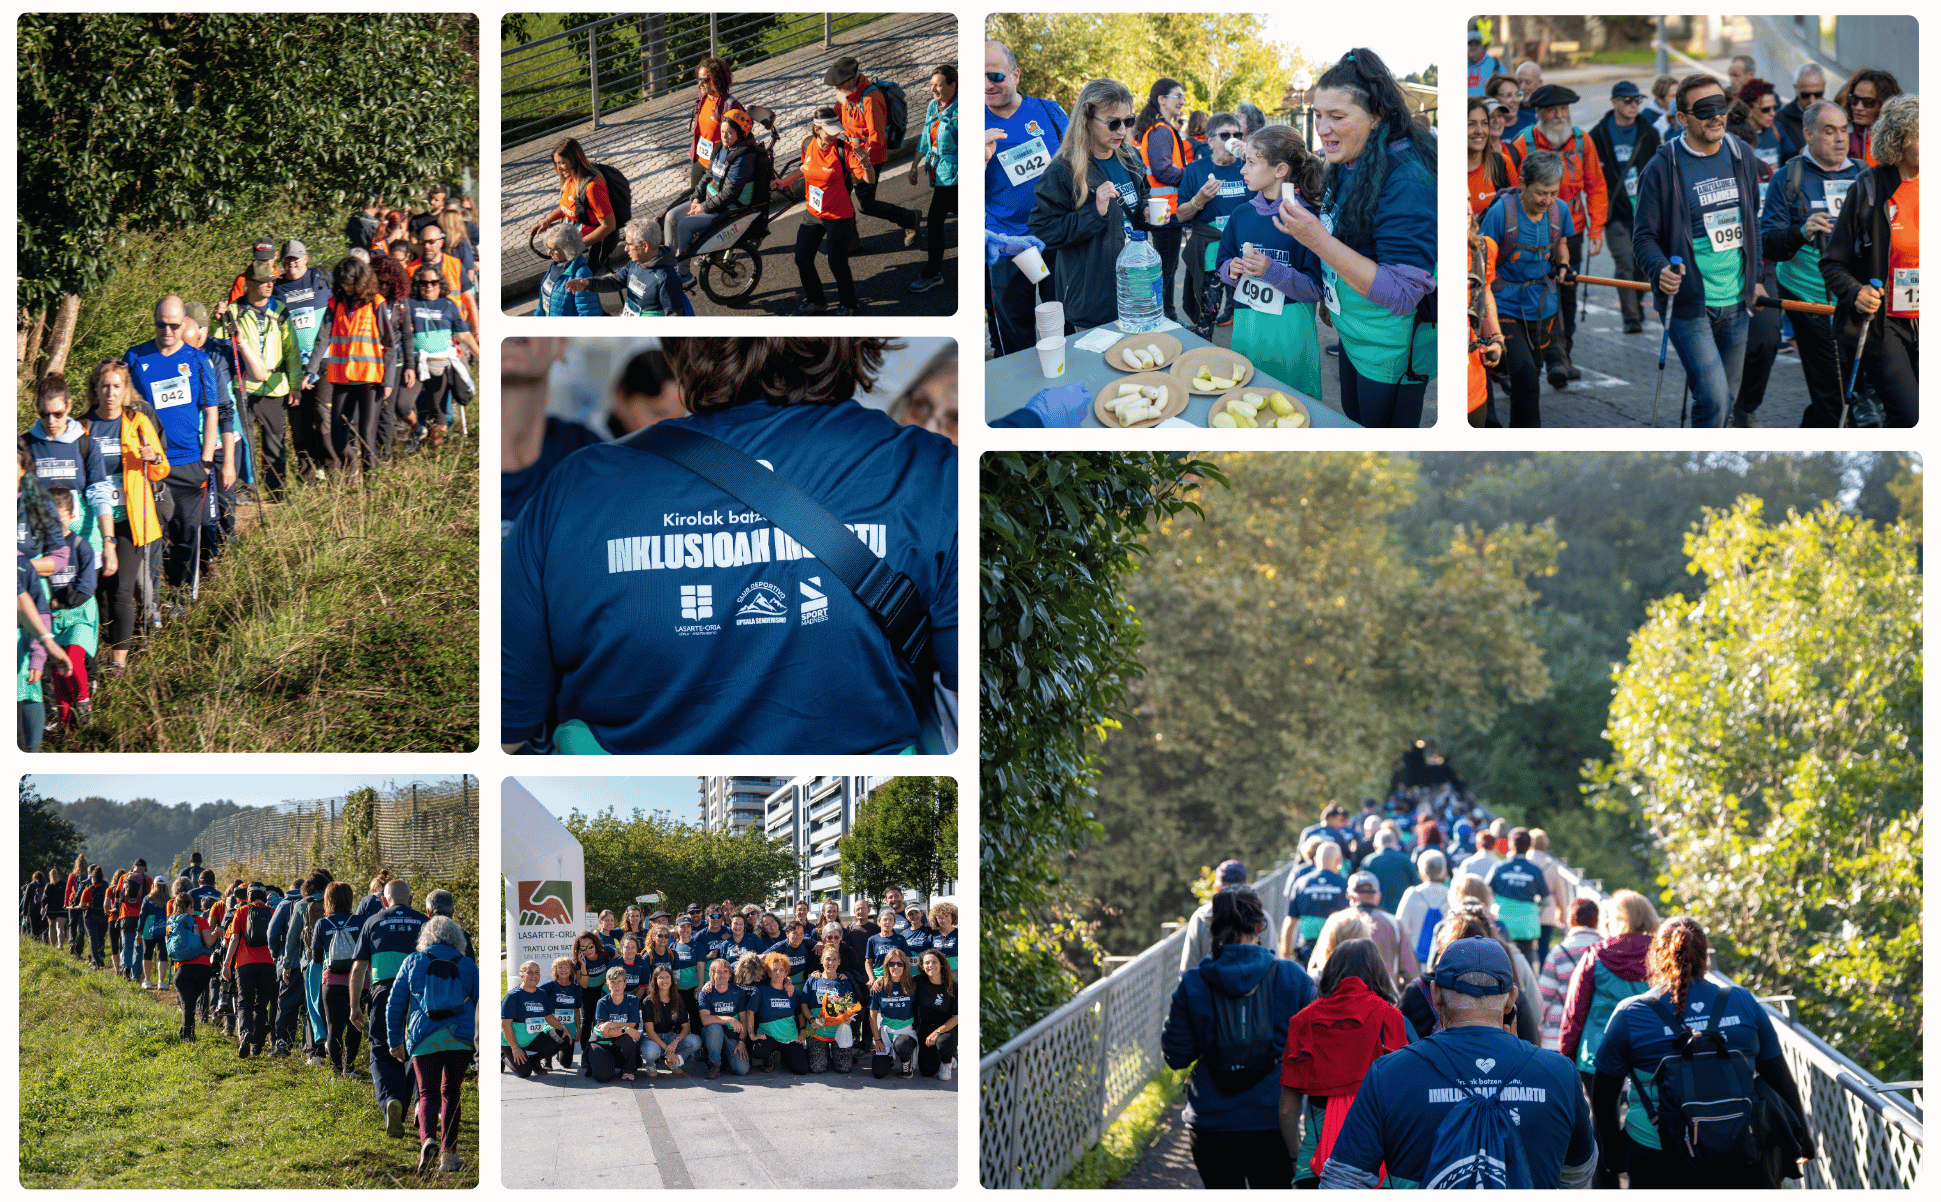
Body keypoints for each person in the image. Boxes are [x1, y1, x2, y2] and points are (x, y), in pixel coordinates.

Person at [502, 336, 956, 755]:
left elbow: (508, 729)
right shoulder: (933, 474)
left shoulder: (573, 490)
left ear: (677, 345)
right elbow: (979, 702)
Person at [1322, 937, 1596, 1188]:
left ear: (1436, 994)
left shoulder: (1388, 1074)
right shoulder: (1560, 1074)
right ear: (1512, 999)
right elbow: (1578, 1175)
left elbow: (1342, 1182)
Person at [1273, 49, 1437, 426]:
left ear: (1377, 116)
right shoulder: (1351, 161)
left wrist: (1316, 240)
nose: (1322, 129)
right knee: (1352, 414)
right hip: (1352, 330)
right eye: (1318, 115)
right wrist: (1328, 297)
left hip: (1390, 346)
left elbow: (1401, 293)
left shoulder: (1408, 178)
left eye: (1337, 117)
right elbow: (1346, 241)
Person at [1592, 917, 1813, 1188]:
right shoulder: (1742, 1001)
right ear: (1705, 957)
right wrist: (1802, 1137)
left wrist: (1612, 1153)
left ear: (1657, 957)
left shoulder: (1631, 1013)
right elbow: (1780, 1078)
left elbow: (1604, 1096)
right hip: (1742, 1146)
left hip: (1655, 1151)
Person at [1161, 887, 1317, 1188]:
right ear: (1260, 926)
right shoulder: (1292, 977)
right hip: (1273, 1118)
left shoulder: (1194, 983)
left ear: (1214, 928)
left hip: (1210, 1120)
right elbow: (1314, 1050)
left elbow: (1176, 1055)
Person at [1635, 73, 1764, 429]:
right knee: (1714, 399)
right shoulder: (1662, 167)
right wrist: (1659, 268)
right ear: (1682, 118)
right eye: (1704, 110)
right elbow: (1643, 238)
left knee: (1725, 401)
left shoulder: (1741, 154)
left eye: (1720, 106)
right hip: (1690, 304)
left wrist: (1758, 277)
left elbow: (1752, 221)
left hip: (1737, 302)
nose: (1716, 116)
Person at [1757, 99, 1861, 429]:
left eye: (1844, 130)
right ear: (1809, 135)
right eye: (1829, 131)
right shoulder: (1790, 177)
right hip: (1811, 298)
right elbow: (1770, 242)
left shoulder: (1865, 174)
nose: (1839, 138)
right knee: (1832, 387)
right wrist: (1803, 231)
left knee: (1857, 385)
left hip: (1859, 298)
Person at [1280, 938, 1416, 1184]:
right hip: (1381, 1167)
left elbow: (1287, 1110)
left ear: (1330, 973)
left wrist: (1295, 1157)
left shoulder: (1304, 1022)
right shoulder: (1393, 1020)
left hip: (1315, 1165)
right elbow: (1409, 1101)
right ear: (1378, 973)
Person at [1821, 92, 1918, 428]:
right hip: (1886, 322)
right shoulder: (1869, 188)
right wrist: (1855, 291)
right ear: (1899, 140)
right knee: (1909, 416)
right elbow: (1832, 262)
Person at [1028, 78, 1155, 332]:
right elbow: (1044, 228)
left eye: (1128, 121)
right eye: (1113, 123)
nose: (1122, 130)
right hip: (1094, 297)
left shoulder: (1130, 156)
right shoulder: (1064, 170)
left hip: (1137, 287)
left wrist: (1147, 212)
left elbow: (1140, 199)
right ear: (1086, 119)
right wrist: (1094, 212)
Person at [1215, 125, 1327, 400]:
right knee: (1249, 402)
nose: (1242, 170)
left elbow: (1315, 288)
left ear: (1280, 170)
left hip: (1289, 337)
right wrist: (1231, 269)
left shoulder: (1306, 219)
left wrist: (1270, 270)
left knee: (1291, 408)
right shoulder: (1241, 214)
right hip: (1247, 332)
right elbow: (1222, 262)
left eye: (1251, 163)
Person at [1507, 85, 1605, 385]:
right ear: (1538, 113)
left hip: (1571, 230)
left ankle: (1565, 356)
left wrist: (1597, 228)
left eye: (1564, 109)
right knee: (1542, 292)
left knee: (1568, 293)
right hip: (1536, 234)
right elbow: (1514, 192)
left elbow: (1596, 186)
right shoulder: (1523, 144)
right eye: (1552, 110)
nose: (1559, 115)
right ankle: (1551, 359)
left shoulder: (1581, 140)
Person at [123, 296, 219, 591]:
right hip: (149, 464)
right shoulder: (135, 358)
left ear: (185, 324)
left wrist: (205, 461)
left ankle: (181, 597)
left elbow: (212, 411)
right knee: (149, 539)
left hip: (188, 462)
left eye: (174, 326)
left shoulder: (199, 361)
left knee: (186, 535)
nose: (167, 331)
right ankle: (150, 608)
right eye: (161, 324)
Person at [984, 39, 1066, 357]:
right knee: (1015, 334)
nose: (987, 86)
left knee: (1061, 320)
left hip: (1053, 236)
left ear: (1015, 75)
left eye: (995, 76)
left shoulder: (1047, 109)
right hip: (1005, 242)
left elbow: (1077, 162)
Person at [386, 916, 477, 1176]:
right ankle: (449, 1155)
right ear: (457, 938)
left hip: (424, 1036)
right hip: (460, 1036)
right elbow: (482, 1003)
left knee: (427, 1093)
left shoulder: (412, 962)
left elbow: (396, 1004)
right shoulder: (468, 964)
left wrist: (395, 1041)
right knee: (452, 1092)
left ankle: (428, 1140)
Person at [1558, 890, 1658, 1112]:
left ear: (1617, 920)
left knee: (1603, 1119)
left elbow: (1576, 1009)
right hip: (1652, 1048)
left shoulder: (1595, 955)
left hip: (1598, 1049)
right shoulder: (1662, 955)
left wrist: (1566, 1052)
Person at [302, 257, 391, 472]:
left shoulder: (376, 303)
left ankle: (372, 483)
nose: (347, 287)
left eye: (350, 283)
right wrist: (311, 371)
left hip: (370, 378)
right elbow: (322, 339)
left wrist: (388, 381)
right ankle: (354, 466)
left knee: (366, 433)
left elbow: (389, 344)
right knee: (337, 436)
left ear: (361, 280)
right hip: (342, 377)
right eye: (342, 283)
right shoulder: (335, 304)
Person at [826, 56, 923, 247]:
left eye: (838, 84)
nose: (835, 88)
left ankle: (910, 219)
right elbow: (836, 119)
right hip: (848, 154)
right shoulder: (846, 94)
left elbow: (877, 140)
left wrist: (863, 171)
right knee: (842, 197)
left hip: (868, 159)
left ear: (852, 80)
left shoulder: (871, 99)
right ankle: (851, 242)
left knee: (866, 205)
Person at [1589, 80, 1661, 334]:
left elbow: (1659, 170)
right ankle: (1630, 316)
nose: (1633, 105)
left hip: (1644, 212)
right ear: (1615, 103)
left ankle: (1637, 302)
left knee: (1642, 265)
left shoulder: (1648, 132)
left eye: (1637, 101)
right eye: (1628, 101)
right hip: (1615, 213)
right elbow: (1592, 175)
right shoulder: (1598, 134)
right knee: (1624, 263)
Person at [1177, 111, 1251, 328]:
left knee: (1247, 312)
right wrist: (1199, 200)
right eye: (1225, 135)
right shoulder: (1196, 170)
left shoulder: (1249, 166)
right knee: (1207, 313)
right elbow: (1181, 214)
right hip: (1211, 249)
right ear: (1210, 141)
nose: (1233, 140)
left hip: (1244, 249)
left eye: (1237, 134)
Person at [664, 106, 762, 264]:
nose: (724, 136)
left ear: (741, 134)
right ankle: (667, 264)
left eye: (729, 132)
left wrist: (703, 207)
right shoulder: (722, 147)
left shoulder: (744, 158)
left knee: (683, 225)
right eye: (722, 132)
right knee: (671, 217)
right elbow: (709, 174)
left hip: (726, 209)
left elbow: (729, 194)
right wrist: (696, 197)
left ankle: (683, 275)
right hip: (709, 200)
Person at [271, 243, 333, 481]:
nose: (292, 264)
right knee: (299, 424)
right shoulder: (277, 288)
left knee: (322, 413)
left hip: (324, 361)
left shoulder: (322, 278)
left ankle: (331, 467)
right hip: (293, 366)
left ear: (306, 259)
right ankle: (308, 475)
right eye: (287, 260)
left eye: (296, 259)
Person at [1133, 78, 1192, 324]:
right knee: (1165, 272)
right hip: (1165, 213)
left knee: (1167, 270)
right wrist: (1192, 175)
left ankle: (1168, 316)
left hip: (1165, 212)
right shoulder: (1160, 131)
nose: (1182, 101)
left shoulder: (1159, 129)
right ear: (1162, 100)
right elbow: (1163, 171)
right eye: (1177, 95)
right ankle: (1157, 318)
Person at [533, 137, 619, 273]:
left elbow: (609, 225)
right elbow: (567, 207)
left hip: (585, 250)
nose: (558, 168)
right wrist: (548, 220)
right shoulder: (570, 180)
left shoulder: (593, 187)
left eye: (562, 163)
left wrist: (576, 247)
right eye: (556, 163)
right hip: (569, 247)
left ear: (575, 160)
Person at [909, 64, 959, 294]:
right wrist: (914, 165)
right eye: (932, 85)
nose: (934, 90)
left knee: (934, 220)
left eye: (939, 85)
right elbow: (925, 138)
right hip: (937, 173)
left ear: (953, 85)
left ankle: (932, 272)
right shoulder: (933, 106)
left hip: (954, 176)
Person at [1535, 897, 1601, 1052]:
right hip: (1594, 1034)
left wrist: (1538, 1026)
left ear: (1572, 921)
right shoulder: (1604, 952)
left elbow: (1543, 997)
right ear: (1596, 922)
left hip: (1558, 1033)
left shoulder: (1558, 953)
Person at [220, 884, 278, 1056]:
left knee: (244, 1001)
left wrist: (226, 963)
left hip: (245, 963)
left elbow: (234, 939)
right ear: (264, 897)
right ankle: (257, 1046)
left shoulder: (242, 911)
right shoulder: (272, 913)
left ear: (249, 896)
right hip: (268, 963)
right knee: (261, 1004)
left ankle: (246, 1031)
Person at [1345, 872, 1420, 990]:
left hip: (1346, 1000)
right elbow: (1411, 973)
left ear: (1350, 896)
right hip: (1385, 999)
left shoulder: (1337, 922)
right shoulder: (1394, 923)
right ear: (1378, 897)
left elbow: (1319, 966)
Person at [165, 878, 220, 1039]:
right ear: (189, 906)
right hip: (202, 970)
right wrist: (216, 932)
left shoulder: (172, 924)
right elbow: (209, 941)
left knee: (187, 1005)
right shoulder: (200, 920)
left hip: (181, 970)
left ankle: (187, 1036)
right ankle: (187, 1034)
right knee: (190, 1004)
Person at [686, 55, 748, 192]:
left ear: (717, 80)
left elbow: (743, 135)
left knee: (709, 207)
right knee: (692, 200)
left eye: (704, 80)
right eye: (698, 79)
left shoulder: (730, 105)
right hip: (699, 161)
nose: (699, 84)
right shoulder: (702, 97)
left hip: (716, 168)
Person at [744, 950, 809, 1074]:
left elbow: (800, 1013)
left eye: (781, 970)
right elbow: (750, 1011)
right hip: (769, 1036)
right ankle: (769, 1058)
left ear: (786, 974)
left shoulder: (791, 991)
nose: (778, 973)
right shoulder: (761, 990)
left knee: (802, 1070)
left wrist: (802, 1032)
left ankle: (786, 1055)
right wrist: (752, 1035)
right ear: (769, 973)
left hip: (790, 1037)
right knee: (758, 1049)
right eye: (774, 970)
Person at [503, 959, 571, 1078]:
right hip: (512, 1041)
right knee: (525, 1072)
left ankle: (534, 1059)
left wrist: (562, 1027)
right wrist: (514, 1048)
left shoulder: (541, 993)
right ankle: (504, 1056)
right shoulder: (513, 996)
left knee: (562, 1039)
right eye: (530, 972)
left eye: (537, 972)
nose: (534, 976)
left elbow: (548, 1016)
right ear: (522, 975)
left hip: (532, 1037)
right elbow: (505, 1025)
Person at [803, 941, 860, 1073]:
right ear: (821, 960)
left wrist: (848, 1018)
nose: (831, 963)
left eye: (834, 959)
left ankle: (833, 1053)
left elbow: (851, 1005)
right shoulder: (813, 979)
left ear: (839, 962)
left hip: (838, 1030)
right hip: (816, 1030)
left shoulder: (844, 980)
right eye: (828, 959)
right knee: (817, 1068)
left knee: (844, 1068)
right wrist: (811, 1019)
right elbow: (804, 1004)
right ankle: (822, 1053)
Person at [694, 955, 750, 1078]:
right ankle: (714, 1065)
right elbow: (705, 1020)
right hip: (712, 1032)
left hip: (731, 1034)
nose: (722, 975)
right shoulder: (706, 993)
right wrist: (729, 1019)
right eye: (718, 972)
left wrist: (741, 1041)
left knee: (742, 1069)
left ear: (730, 975)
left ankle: (723, 1057)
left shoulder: (738, 991)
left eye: (725, 972)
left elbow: (744, 1019)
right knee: (715, 1028)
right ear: (712, 975)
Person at [640, 963, 701, 1075]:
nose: (665, 980)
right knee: (650, 1052)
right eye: (661, 977)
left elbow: (686, 1028)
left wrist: (675, 1041)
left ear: (672, 980)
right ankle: (650, 1064)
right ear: (655, 980)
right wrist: (668, 1050)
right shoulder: (648, 1001)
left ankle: (671, 1061)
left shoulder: (677, 999)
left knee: (696, 1041)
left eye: (667, 977)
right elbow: (650, 1032)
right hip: (652, 1039)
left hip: (670, 1036)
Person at [868, 947, 920, 1078]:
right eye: (891, 963)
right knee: (878, 1073)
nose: (895, 967)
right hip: (886, 1033)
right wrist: (877, 1040)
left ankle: (906, 1061)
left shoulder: (913, 984)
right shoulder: (879, 986)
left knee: (901, 1045)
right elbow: (872, 1016)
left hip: (906, 1032)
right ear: (887, 966)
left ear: (905, 965)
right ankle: (888, 1058)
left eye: (899, 963)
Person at [1395, 848, 1451, 968]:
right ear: (1444, 871)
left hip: (1415, 962)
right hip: (1444, 962)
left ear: (1421, 872)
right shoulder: (1452, 896)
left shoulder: (1412, 894)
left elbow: (1400, 927)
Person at [1468, 97, 1521, 215]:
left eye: (1484, 123)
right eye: (1471, 124)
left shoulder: (1502, 162)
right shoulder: (1437, 170)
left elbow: (1518, 213)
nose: (1480, 130)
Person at [535, 224, 602, 318]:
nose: (548, 252)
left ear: (567, 248)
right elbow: (544, 301)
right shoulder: (556, 265)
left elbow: (589, 313)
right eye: (548, 247)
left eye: (553, 249)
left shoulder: (582, 274)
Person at [1838, 68, 1901, 165]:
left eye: (1868, 102)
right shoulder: (1843, 138)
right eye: (1854, 99)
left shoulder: (1900, 142)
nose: (1858, 107)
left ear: (1884, 105)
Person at [914, 947, 958, 1079]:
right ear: (922, 966)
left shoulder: (952, 986)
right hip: (925, 1028)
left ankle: (948, 1062)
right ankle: (943, 1055)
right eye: (927, 963)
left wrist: (937, 1032)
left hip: (946, 1028)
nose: (930, 965)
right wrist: (881, 978)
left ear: (941, 964)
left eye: (934, 962)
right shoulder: (918, 981)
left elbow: (957, 1017)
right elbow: (898, 981)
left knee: (943, 1042)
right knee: (927, 1071)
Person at [1738, 78, 1795, 172]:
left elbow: (1793, 159)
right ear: (1749, 109)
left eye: (1774, 108)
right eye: (1766, 109)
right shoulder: (1737, 136)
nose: (1773, 113)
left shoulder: (1776, 128)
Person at [1776, 63, 1825, 161]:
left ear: (1824, 86)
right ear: (1795, 88)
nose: (1812, 100)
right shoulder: (1781, 119)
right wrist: (1800, 154)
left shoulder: (1835, 115)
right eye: (1805, 95)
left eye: (1818, 94)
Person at [1466, 29, 1505, 97]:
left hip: (1488, 104)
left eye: (1476, 44)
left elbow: (1505, 85)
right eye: (1470, 44)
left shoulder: (1494, 63)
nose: (1473, 47)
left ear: (1482, 46)